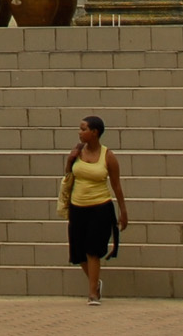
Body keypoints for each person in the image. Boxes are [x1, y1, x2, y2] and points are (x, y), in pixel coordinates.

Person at [58, 114, 128, 303]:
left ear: (94, 132)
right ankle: (95, 282)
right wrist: (69, 161)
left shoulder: (108, 156)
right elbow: (68, 176)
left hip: (100, 207)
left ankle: (92, 293)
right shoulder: (77, 152)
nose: (80, 133)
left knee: (93, 250)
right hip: (77, 207)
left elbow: (117, 185)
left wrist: (123, 210)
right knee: (78, 252)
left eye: (84, 129)